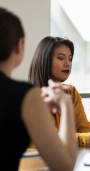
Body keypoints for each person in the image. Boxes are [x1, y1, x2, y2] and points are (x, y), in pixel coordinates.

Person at [0, 8, 77, 171]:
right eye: (61, 58)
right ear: (19, 47)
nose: (67, 63)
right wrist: (66, 105)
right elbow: (64, 166)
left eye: (70, 59)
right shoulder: (25, 96)